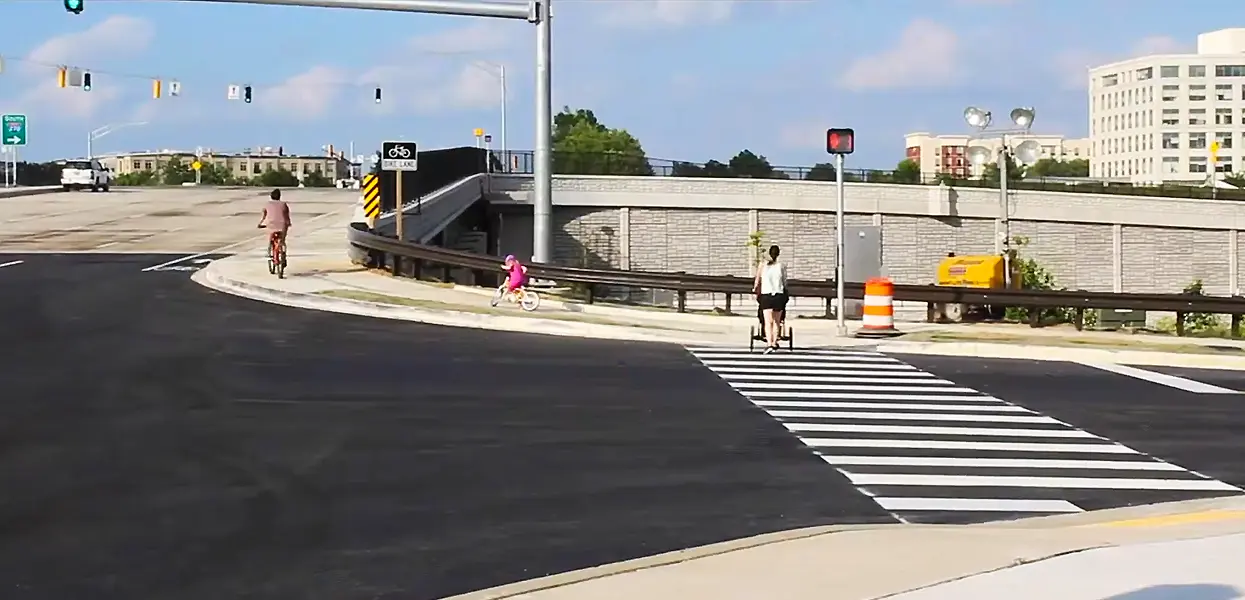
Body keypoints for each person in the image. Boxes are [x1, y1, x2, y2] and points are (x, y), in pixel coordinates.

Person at [753, 244, 788, 353]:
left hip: (766, 295)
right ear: (778, 254)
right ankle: (774, 343)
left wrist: (755, 289)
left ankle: (769, 343)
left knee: (768, 322)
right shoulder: (781, 266)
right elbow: (785, 282)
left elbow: (757, 281)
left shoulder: (762, 265)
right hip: (778, 294)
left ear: (769, 253)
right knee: (777, 321)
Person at [258, 189, 291, 260]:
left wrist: (260, 223)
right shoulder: (283, 204)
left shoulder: (267, 204)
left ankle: (269, 250)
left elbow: (264, 215)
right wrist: (288, 223)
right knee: (282, 239)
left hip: (271, 224)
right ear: (279, 196)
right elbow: (286, 215)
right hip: (282, 224)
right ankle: (283, 251)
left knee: (271, 236)